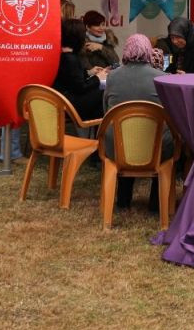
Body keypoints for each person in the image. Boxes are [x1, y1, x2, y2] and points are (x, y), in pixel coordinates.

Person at [103, 33, 173, 210]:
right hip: (154, 146)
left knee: (124, 134)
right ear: (149, 52)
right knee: (165, 138)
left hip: (117, 146)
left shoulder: (112, 77)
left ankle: (123, 201)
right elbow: (170, 114)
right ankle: (156, 204)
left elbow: (106, 110)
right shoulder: (162, 78)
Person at [53, 17, 106, 122]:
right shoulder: (71, 59)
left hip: (63, 100)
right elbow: (80, 87)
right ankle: (99, 128)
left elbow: (71, 79)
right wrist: (98, 78)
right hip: (70, 105)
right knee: (103, 90)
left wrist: (89, 72)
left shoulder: (62, 55)